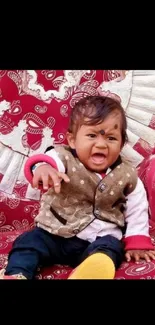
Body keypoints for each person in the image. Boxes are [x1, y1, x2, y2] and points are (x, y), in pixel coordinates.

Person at [1, 95, 155, 280]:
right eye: (91, 135)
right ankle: (18, 274)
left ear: (121, 144)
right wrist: (43, 168)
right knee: (29, 242)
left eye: (111, 138)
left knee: (112, 248)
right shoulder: (64, 157)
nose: (101, 144)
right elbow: (48, 161)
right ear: (72, 140)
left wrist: (137, 239)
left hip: (99, 238)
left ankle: (92, 271)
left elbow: (137, 208)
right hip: (55, 233)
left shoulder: (128, 175)